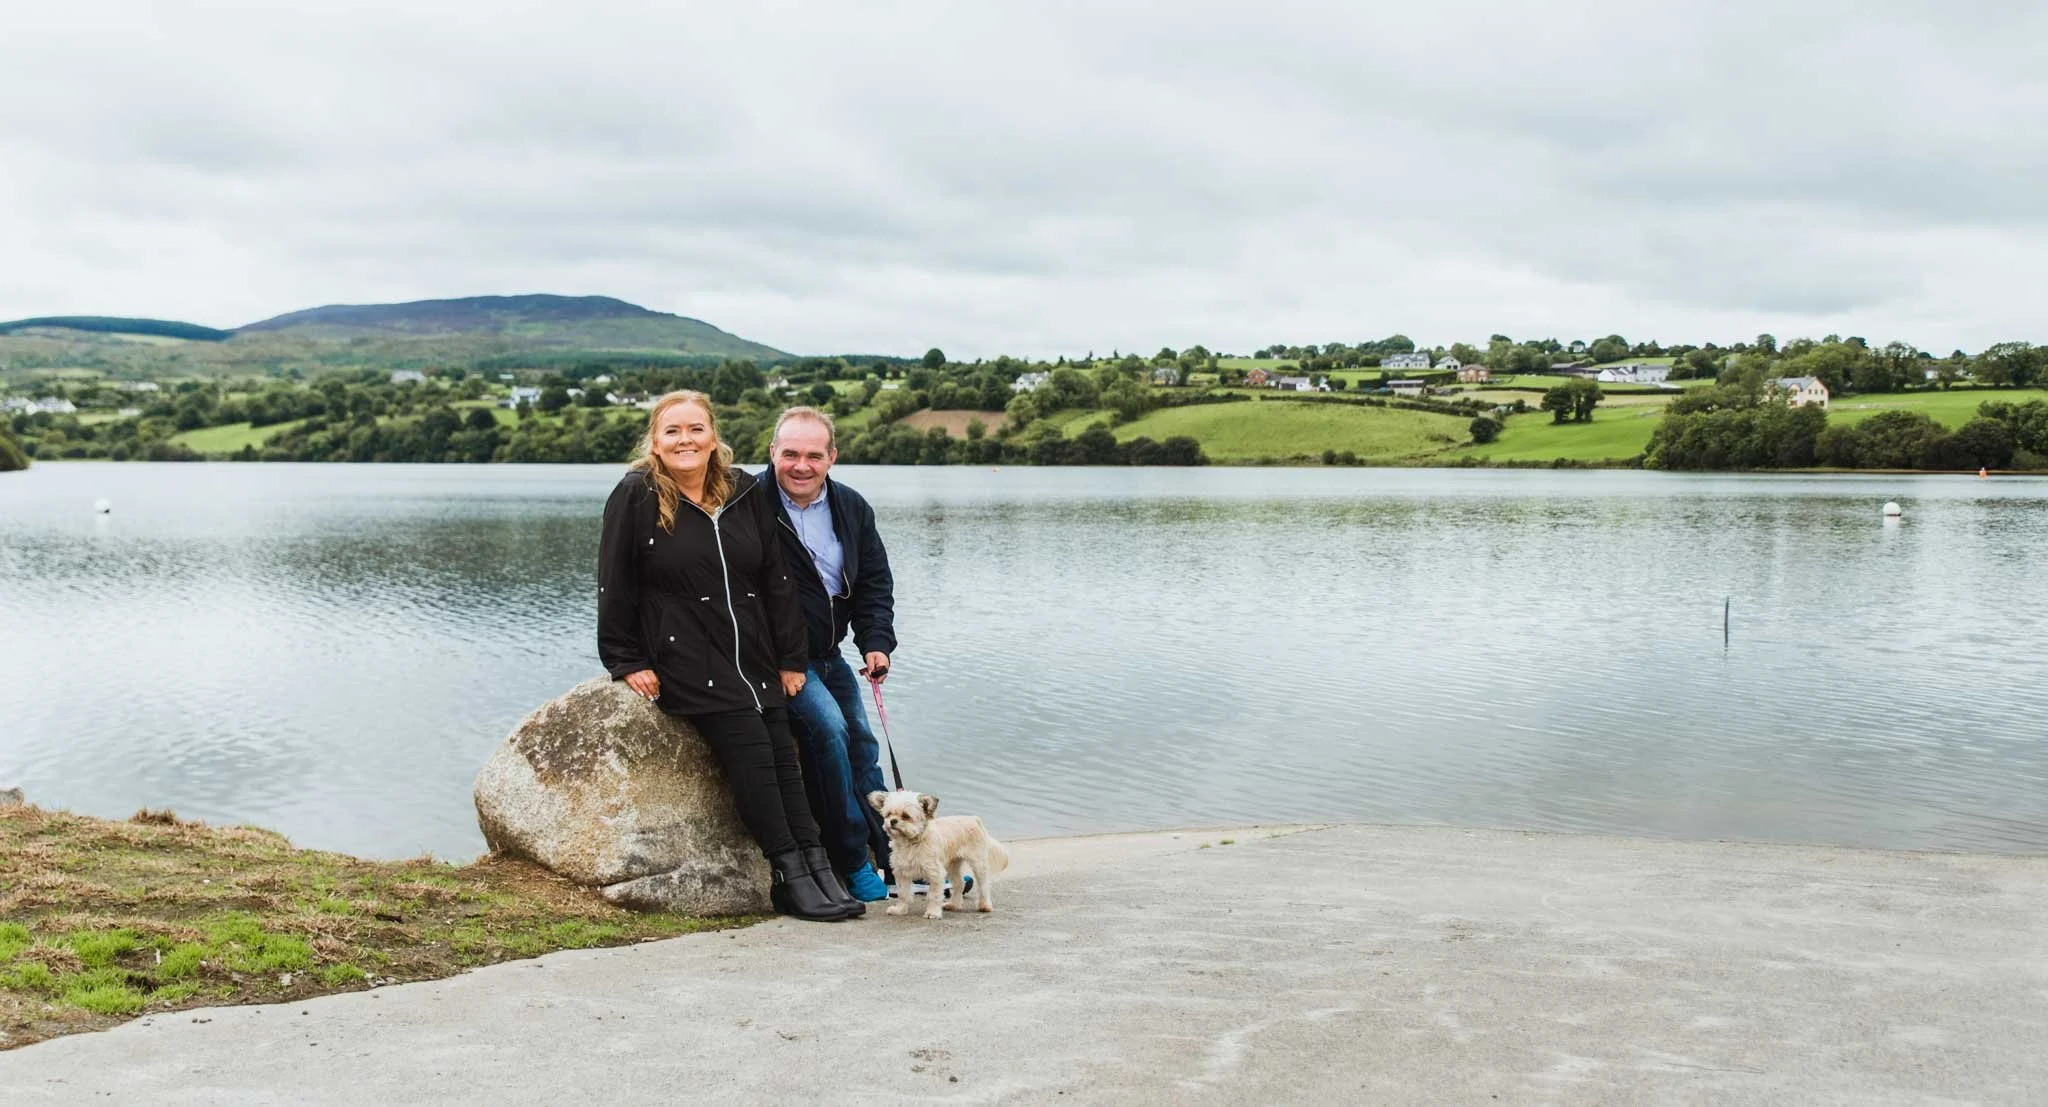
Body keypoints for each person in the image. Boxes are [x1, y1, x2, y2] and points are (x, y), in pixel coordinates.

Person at [597, 390, 861, 922]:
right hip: (688, 659)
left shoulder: (743, 490)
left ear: (713, 435)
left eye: (696, 428)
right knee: (754, 760)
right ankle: (789, 874)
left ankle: (819, 868)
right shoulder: (636, 494)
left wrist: (790, 658)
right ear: (655, 440)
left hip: (755, 656)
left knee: (784, 761)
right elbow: (614, 582)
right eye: (672, 431)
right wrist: (625, 660)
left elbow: (776, 581)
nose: (685, 440)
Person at [764, 407, 900, 901]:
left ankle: (896, 858)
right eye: (791, 453)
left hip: (830, 654)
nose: (802, 465)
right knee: (830, 731)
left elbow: (873, 584)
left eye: (814, 455)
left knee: (864, 745)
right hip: (780, 661)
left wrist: (876, 642)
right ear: (773, 453)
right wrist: (782, 660)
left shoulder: (850, 507)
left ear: (832, 457)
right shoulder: (751, 505)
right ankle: (850, 859)